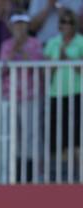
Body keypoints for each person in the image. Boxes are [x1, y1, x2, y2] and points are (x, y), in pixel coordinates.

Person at [0, 13, 43, 181]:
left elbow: (37, 68)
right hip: (9, 96)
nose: (20, 28)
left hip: (30, 95)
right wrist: (12, 52)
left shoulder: (35, 43)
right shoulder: (6, 45)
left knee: (31, 135)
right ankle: (10, 173)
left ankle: (34, 173)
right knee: (9, 135)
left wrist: (22, 51)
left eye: (23, 25)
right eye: (17, 25)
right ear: (11, 27)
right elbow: (1, 70)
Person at [44, 7, 83, 167]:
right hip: (56, 93)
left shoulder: (81, 41)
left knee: (77, 135)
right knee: (59, 134)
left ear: (75, 24)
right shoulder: (53, 42)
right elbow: (47, 72)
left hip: (77, 92)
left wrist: (68, 59)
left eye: (69, 22)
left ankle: (78, 173)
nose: (66, 25)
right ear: (59, 25)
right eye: (63, 22)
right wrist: (59, 59)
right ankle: (62, 172)